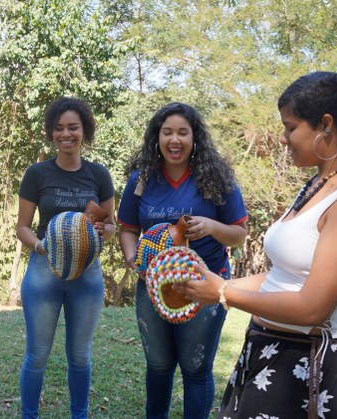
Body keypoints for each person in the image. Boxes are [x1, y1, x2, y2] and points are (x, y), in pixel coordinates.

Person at [176, 72, 337, 418]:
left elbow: (312, 309)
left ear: (325, 125)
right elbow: (284, 278)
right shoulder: (319, 185)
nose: (284, 139)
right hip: (271, 352)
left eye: (291, 128)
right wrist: (208, 284)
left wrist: (223, 294)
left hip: (311, 366)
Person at [117, 102, 248, 419]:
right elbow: (127, 228)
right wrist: (135, 260)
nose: (174, 140)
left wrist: (211, 227)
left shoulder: (217, 179)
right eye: (167, 132)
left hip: (205, 286)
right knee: (159, 365)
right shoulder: (142, 179)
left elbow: (239, 233)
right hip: (154, 287)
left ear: (195, 137)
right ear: (157, 137)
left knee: (195, 367)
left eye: (182, 133)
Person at [16, 96, 116, 418]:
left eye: (73, 127)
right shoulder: (37, 173)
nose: (66, 134)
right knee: (38, 354)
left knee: (80, 355)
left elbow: (111, 224)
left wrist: (105, 232)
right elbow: (22, 228)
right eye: (58, 128)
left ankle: (79, 415)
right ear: (51, 132)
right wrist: (41, 246)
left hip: (87, 274)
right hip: (44, 270)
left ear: (84, 131)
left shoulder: (98, 175)